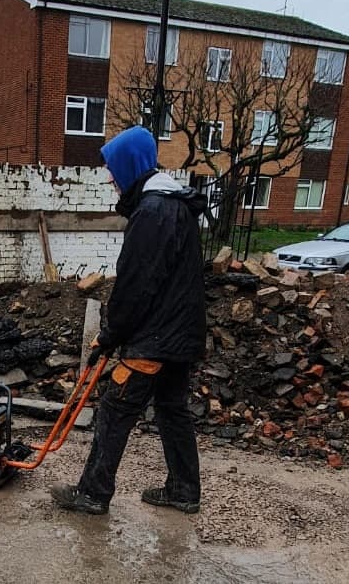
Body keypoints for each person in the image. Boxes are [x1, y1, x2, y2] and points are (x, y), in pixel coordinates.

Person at [50, 125, 207, 515]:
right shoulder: (174, 204)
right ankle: (184, 490)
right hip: (181, 333)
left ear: (129, 165)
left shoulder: (152, 211)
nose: (111, 178)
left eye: (114, 169)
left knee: (115, 410)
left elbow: (136, 284)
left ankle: (92, 493)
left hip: (154, 336)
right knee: (172, 409)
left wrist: (110, 334)